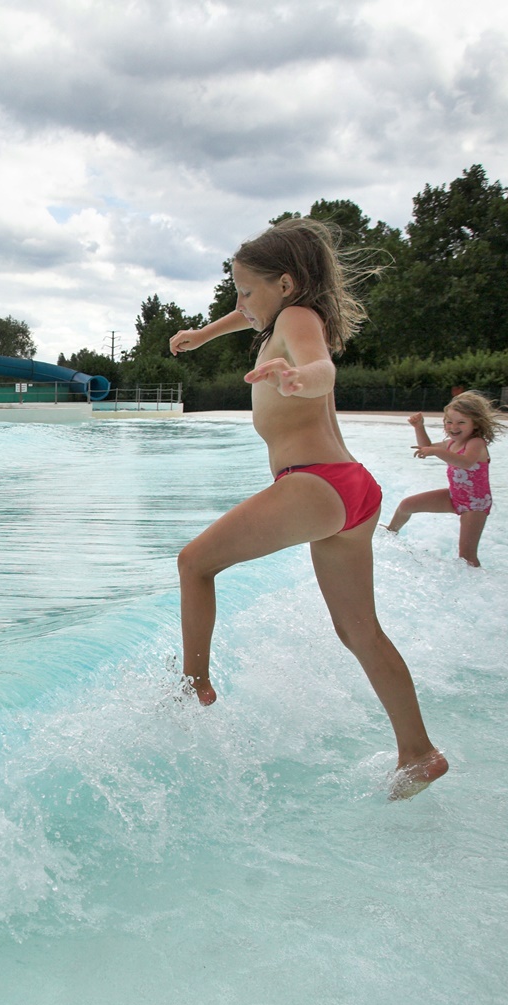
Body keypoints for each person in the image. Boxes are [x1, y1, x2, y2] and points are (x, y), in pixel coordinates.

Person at [168, 217, 446, 799]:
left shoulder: (296, 322)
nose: (240, 302)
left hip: (314, 483)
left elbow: (323, 367)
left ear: (286, 285)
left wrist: (300, 379)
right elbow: (247, 316)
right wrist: (202, 334)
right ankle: (418, 753)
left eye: (246, 290)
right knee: (359, 630)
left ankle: (192, 688)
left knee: (194, 564)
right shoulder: (277, 314)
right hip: (351, 491)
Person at [385, 393, 504, 567]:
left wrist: (436, 452)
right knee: (406, 505)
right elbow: (427, 446)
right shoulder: (450, 444)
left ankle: (478, 584)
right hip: (454, 497)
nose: (453, 427)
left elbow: (465, 462)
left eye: (461, 422)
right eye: (449, 422)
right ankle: (389, 534)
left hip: (475, 504)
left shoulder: (476, 443)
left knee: (467, 557)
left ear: (475, 423)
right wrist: (419, 427)